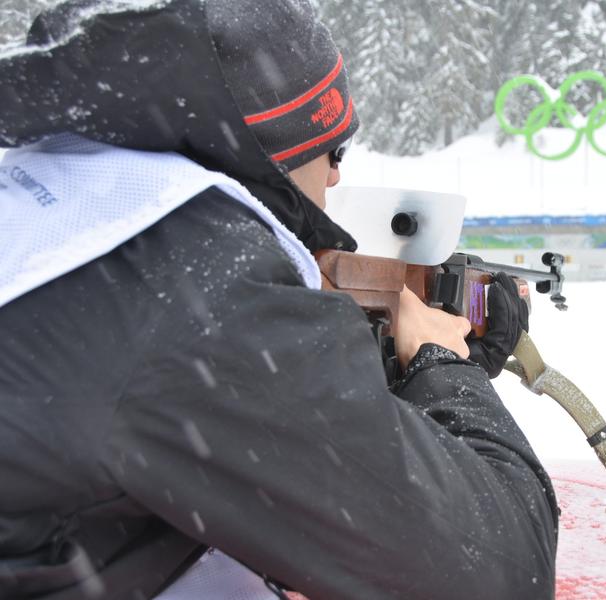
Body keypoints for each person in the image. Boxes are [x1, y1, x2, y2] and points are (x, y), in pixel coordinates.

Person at [0, 1, 559, 599]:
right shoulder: (200, 291)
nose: (338, 179)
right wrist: (445, 370)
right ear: (274, 149)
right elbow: (500, 568)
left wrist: (391, 374)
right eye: (335, 151)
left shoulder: (65, 201)